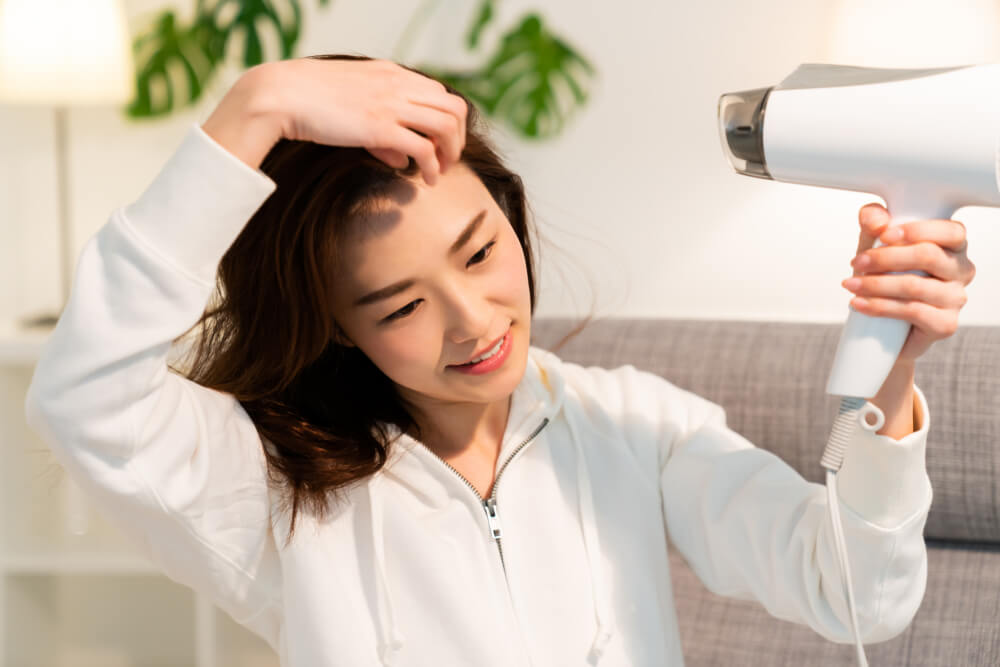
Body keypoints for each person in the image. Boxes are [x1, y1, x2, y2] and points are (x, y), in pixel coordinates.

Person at [24, 53, 976, 666]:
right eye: (399, 303)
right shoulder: (276, 484)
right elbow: (83, 399)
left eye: (480, 251)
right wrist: (252, 107)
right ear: (340, 327)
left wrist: (895, 373)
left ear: (512, 214)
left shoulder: (635, 425)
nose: (474, 320)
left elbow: (859, 593)